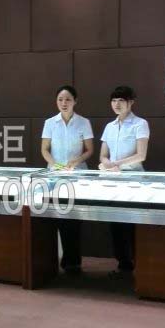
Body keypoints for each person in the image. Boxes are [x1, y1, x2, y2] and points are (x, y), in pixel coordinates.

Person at [41, 84, 94, 274]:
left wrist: (77, 161)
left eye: (68, 99)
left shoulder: (83, 122)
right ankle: (52, 261)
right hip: (55, 176)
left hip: (76, 176)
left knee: (73, 219)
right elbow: (44, 149)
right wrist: (55, 164)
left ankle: (73, 262)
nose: (64, 103)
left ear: (75, 101)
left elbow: (89, 150)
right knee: (55, 217)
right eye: (60, 100)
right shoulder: (50, 123)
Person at [99, 85, 150, 274]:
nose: (117, 104)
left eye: (121, 100)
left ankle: (140, 265)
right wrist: (107, 163)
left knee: (133, 223)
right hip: (113, 181)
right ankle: (123, 264)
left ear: (131, 102)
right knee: (116, 223)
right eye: (114, 100)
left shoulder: (140, 124)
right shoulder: (109, 127)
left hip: (133, 181)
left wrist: (116, 164)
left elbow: (141, 155)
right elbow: (103, 155)